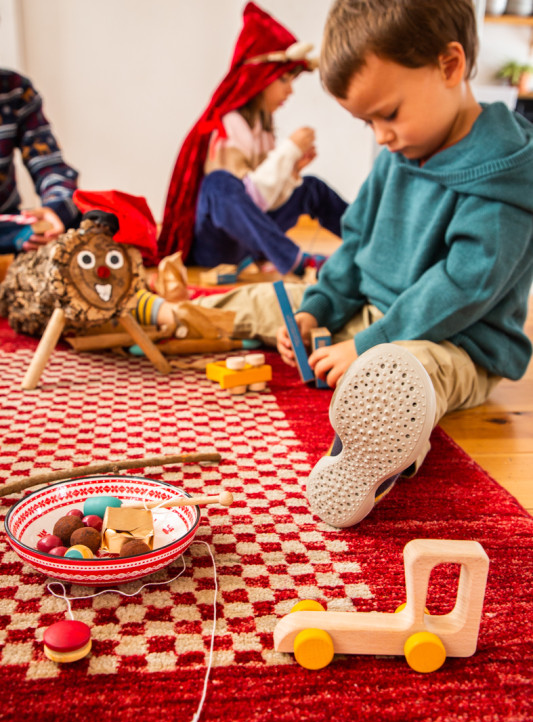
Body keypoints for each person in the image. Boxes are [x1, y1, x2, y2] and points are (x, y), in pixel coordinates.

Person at [196, 0, 533, 528]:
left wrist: (369, 347)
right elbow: (354, 244)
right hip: (373, 318)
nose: (381, 136)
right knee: (277, 298)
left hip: (459, 341)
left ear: (450, 65)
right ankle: (161, 313)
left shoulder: (504, 175)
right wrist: (318, 310)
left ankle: (377, 451)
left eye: (390, 113)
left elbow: (463, 286)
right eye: (367, 122)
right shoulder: (398, 151)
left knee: (420, 369)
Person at [158, 2, 348, 276]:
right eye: (284, 80)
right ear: (261, 77)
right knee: (218, 184)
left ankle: (369, 243)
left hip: (250, 242)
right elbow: (250, 199)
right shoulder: (227, 126)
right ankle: (296, 261)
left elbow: (264, 201)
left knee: (311, 188)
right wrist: (289, 153)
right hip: (216, 247)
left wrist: (291, 172)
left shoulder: (263, 126)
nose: (290, 91)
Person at [0, 69, 79, 254]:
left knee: (88, 217)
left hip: (8, 228)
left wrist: (54, 209)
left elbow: (49, 166)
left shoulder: (13, 88)